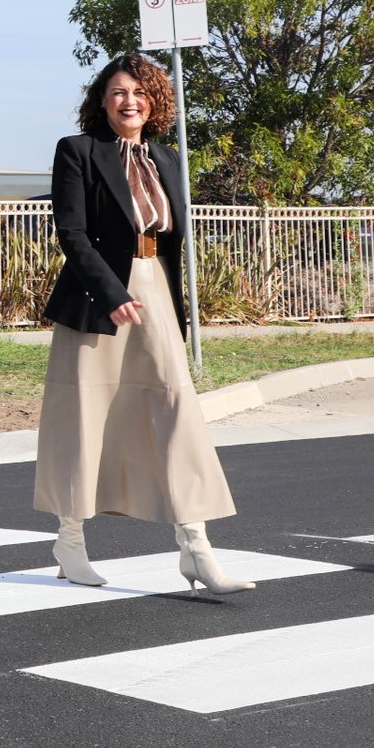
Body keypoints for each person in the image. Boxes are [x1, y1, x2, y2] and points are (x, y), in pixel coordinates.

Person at [32, 52, 253, 595]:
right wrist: (112, 294)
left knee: (176, 411)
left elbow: (174, 239)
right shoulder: (79, 152)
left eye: (139, 92)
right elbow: (73, 234)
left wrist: (166, 302)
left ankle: (196, 548)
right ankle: (70, 542)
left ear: (154, 101)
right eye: (117, 92)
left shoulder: (166, 158)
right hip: (96, 298)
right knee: (84, 417)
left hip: (154, 289)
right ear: (101, 102)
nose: (129, 101)